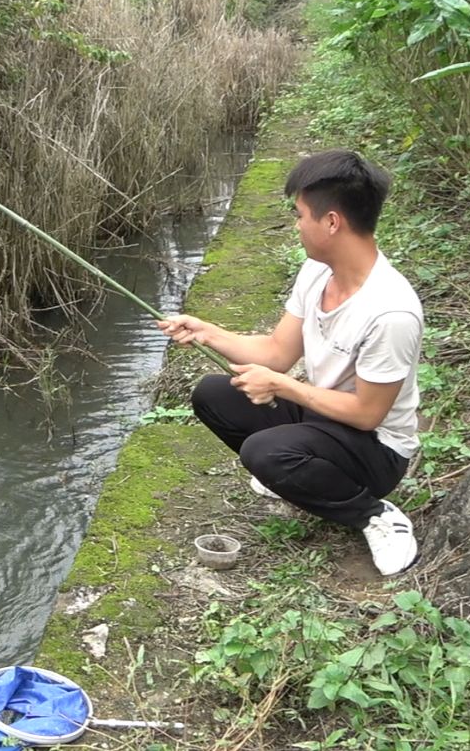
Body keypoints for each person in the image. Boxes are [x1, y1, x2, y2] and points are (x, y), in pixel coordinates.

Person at [157, 149, 423, 576]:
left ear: (332, 222)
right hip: (324, 415)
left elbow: (368, 414)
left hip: (375, 449)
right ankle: (299, 474)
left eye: (300, 215)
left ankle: (372, 513)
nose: (297, 226)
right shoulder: (318, 273)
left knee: (264, 452)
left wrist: (282, 387)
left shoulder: (390, 313)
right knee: (212, 394)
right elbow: (277, 353)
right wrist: (206, 332)